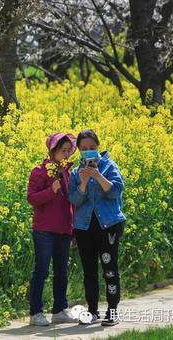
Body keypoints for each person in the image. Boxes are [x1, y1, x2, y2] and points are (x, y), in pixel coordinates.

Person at [68, 129, 126, 326]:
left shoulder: (109, 166)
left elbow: (116, 191)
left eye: (92, 148)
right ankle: (92, 311)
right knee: (89, 271)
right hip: (84, 227)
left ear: (98, 147)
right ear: (78, 150)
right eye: (84, 149)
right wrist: (83, 183)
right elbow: (74, 200)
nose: (88, 151)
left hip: (108, 225)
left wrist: (98, 175)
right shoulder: (77, 173)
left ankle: (112, 311)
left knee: (110, 269)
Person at [27, 132, 79, 326]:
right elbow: (31, 198)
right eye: (63, 150)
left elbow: (71, 203)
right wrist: (51, 190)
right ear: (53, 150)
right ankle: (35, 312)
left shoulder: (67, 172)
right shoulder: (39, 171)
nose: (66, 154)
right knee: (41, 270)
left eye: (68, 151)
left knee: (61, 271)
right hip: (44, 230)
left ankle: (59, 310)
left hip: (64, 229)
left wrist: (73, 229)